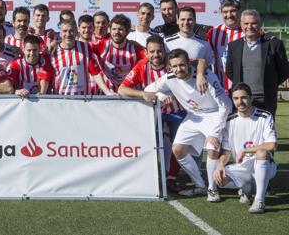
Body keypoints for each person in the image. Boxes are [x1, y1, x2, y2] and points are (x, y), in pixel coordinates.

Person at [144, 49, 231, 200]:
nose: (178, 69)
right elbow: (148, 90)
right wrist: (164, 95)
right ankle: (200, 186)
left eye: (182, 65)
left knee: (212, 148)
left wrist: (215, 131)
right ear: (170, 67)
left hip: (214, 114)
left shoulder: (207, 76)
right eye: (174, 66)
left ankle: (212, 189)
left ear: (189, 63)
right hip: (193, 116)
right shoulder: (169, 77)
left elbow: (226, 105)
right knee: (177, 149)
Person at [118, 35, 184, 192]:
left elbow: (199, 62)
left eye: (159, 51)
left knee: (179, 146)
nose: (156, 55)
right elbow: (122, 89)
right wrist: (143, 94)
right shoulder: (142, 66)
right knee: (149, 144)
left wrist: (201, 72)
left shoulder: (174, 62)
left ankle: (171, 179)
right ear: (146, 53)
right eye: (152, 52)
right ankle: (149, 177)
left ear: (165, 51)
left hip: (177, 112)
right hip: (153, 114)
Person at [213, 83, 277, 214]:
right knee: (220, 180)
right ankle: (247, 188)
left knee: (262, 152)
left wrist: (245, 150)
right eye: (236, 98)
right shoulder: (230, 120)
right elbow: (226, 150)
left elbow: (272, 145)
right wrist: (220, 165)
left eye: (244, 98)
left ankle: (259, 200)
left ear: (251, 98)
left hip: (264, 164)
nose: (240, 102)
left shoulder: (264, 116)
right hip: (242, 165)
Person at [226, 9, 289, 117]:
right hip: (241, 100)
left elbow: (284, 71)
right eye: (246, 23)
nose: (249, 27)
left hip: (266, 100)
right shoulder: (234, 46)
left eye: (253, 23)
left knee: (266, 133)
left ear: (259, 24)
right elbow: (230, 71)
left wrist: (270, 83)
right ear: (241, 25)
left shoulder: (274, 44)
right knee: (242, 133)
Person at [50, 20, 114, 95]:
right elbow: (47, 78)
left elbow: (95, 73)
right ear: (60, 33)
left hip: (83, 100)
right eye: (65, 31)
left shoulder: (85, 48)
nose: (68, 34)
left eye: (71, 31)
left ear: (76, 31)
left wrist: (107, 92)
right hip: (60, 100)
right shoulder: (53, 52)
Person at [92, 14, 145, 92]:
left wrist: (143, 48)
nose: (116, 32)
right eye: (114, 29)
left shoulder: (135, 49)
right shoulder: (102, 45)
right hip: (108, 93)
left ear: (127, 32)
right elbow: (83, 48)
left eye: (120, 29)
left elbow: (151, 56)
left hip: (128, 93)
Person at [206, 0, 243, 90]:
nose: (229, 15)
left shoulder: (248, 31)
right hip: (220, 87)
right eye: (225, 12)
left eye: (233, 11)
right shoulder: (214, 32)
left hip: (242, 87)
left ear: (239, 11)